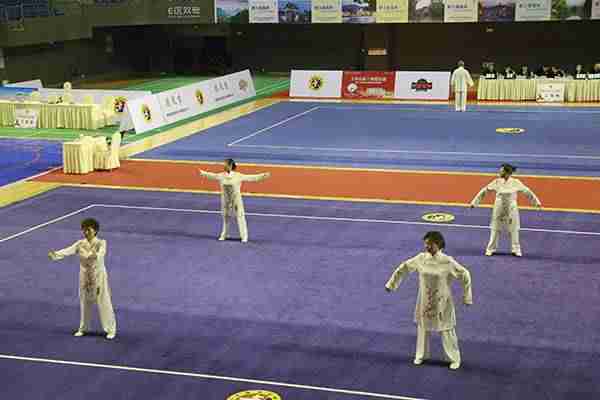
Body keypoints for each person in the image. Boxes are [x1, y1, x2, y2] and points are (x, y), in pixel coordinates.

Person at [385, 231, 472, 370]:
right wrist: (392, 284)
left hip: (443, 301)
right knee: (423, 327)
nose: (427, 246)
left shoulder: (447, 261)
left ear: (438, 244)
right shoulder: (420, 258)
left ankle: (454, 358)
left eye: (430, 244)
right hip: (425, 299)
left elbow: (465, 274)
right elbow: (404, 268)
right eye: (425, 244)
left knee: (446, 329)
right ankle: (421, 355)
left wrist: (467, 296)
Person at [48, 218, 117, 340]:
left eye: (88, 230)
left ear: (95, 230)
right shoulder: (80, 243)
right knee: (84, 302)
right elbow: (68, 250)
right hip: (84, 276)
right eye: (84, 230)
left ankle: (110, 329)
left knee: (104, 302)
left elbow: (101, 254)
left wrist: (96, 255)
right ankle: (83, 328)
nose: (86, 232)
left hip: (98, 276)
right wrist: (56, 254)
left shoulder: (101, 243)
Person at [469, 164, 542, 257]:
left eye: (502, 171)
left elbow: (528, 192)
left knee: (514, 229)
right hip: (499, 206)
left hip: (511, 207)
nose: (499, 172)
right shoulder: (496, 182)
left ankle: (516, 249)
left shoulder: (516, 182)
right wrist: (474, 202)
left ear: (507, 173)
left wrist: (536, 202)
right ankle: (490, 249)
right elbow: (484, 191)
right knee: (495, 228)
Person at [199, 159, 270, 243]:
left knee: (240, 217)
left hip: (236, 201)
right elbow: (212, 176)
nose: (224, 166)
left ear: (230, 165)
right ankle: (224, 235)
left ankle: (244, 236)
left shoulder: (238, 176)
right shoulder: (221, 175)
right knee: (226, 218)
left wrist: (263, 176)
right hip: (225, 201)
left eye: (225, 164)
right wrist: (202, 173)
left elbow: (251, 177)